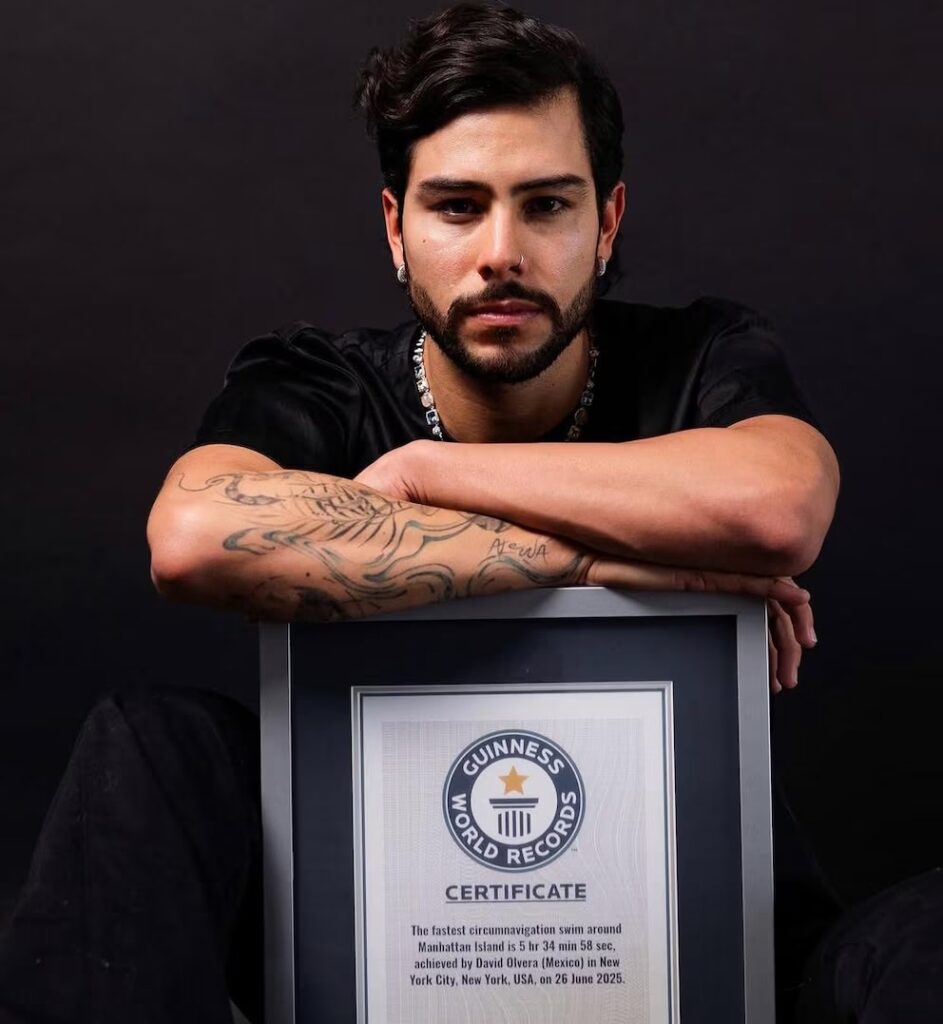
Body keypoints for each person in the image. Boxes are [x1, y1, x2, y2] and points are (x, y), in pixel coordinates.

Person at [2, 4, 878, 1022]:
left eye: (545, 206)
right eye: (457, 207)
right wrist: (595, 566)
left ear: (606, 224)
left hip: (699, 910)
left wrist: (427, 474)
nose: (501, 252)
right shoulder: (316, 381)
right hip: (361, 905)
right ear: (395, 228)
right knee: (148, 742)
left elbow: (777, 508)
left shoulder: (699, 355)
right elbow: (192, 539)